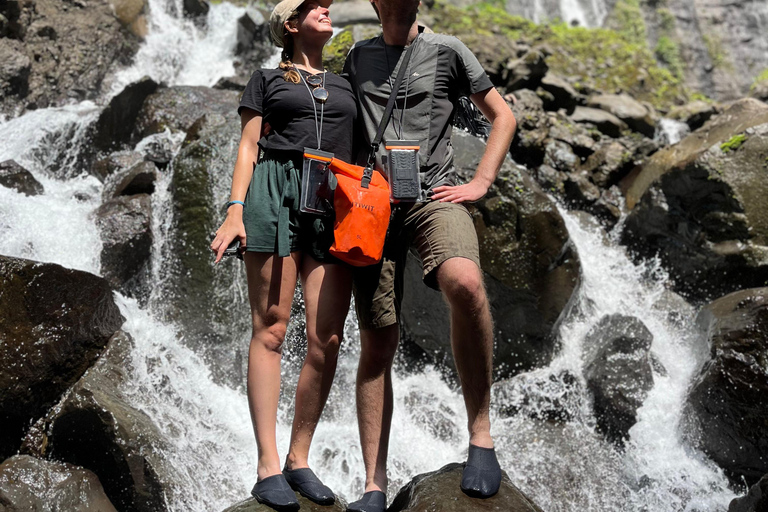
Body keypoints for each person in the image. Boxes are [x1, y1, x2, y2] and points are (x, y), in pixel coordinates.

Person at [342, 0, 517, 509]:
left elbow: (502, 116)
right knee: (378, 341)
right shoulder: (356, 57)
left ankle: (480, 435)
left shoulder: (448, 50)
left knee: (465, 284)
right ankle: (374, 485)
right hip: (372, 207)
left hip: (433, 197)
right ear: (375, 3)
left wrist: (480, 181)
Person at [210, 0, 357, 509]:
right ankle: (267, 465)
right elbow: (249, 147)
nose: (325, 7)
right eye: (311, 4)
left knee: (327, 336)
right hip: (274, 191)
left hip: (331, 198)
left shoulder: (345, 83)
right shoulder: (266, 80)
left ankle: (300, 458)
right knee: (272, 327)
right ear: (290, 25)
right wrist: (234, 211)